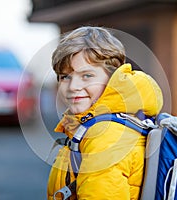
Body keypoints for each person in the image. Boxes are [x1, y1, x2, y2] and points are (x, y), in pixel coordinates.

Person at [47, 26, 163, 200]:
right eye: (65, 76)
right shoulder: (99, 125)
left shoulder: (106, 138)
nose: (73, 87)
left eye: (86, 76)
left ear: (112, 78)